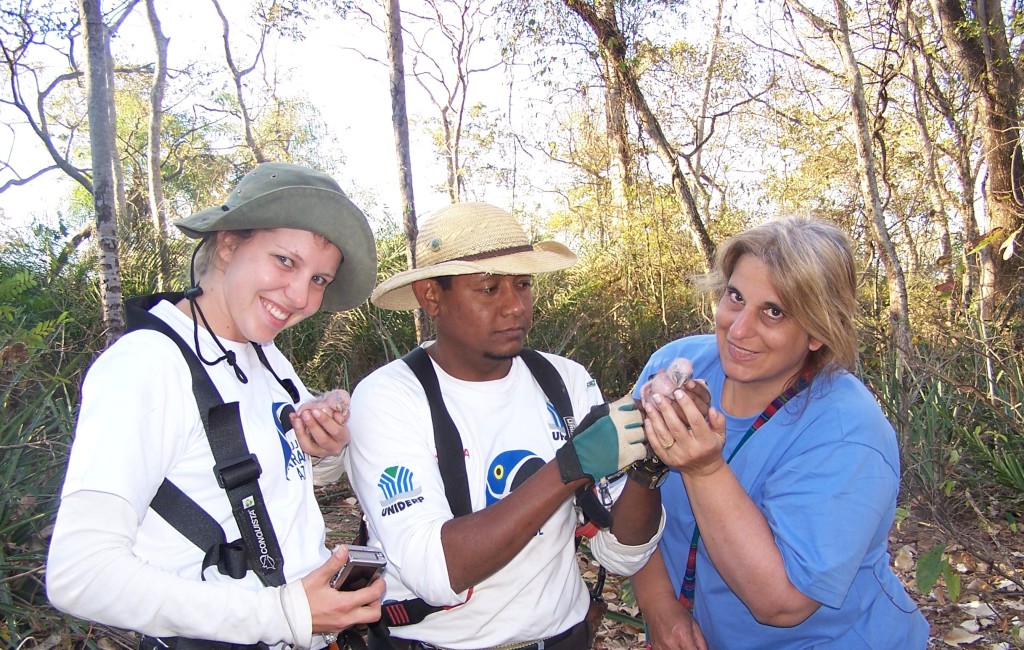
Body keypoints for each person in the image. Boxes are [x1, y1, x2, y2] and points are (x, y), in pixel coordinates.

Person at [47, 162, 386, 650]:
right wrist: (282, 613)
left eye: (319, 280)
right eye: (285, 261)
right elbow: (79, 573)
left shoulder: (266, 358)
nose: (300, 296)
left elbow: (270, 485)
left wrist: (325, 446)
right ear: (228, 244)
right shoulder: (147, 365)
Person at [345, 202, 679, 650]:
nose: (515, 307)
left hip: (565, 636)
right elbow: (437, 572)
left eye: (523, 284)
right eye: (488, 289)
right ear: (431, 296)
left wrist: (649, 462)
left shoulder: (565, 382)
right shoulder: (390, 398)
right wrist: (571, 466)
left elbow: (622, 552)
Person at [630, 217, 929, 649]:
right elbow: (626, 493)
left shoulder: (846, 431)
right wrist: (658, 605)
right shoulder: (677, 366)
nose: (738, 330)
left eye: (774, 312)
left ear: (818, 331)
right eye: (736, 297)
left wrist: (703, 470)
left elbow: (782, 603)